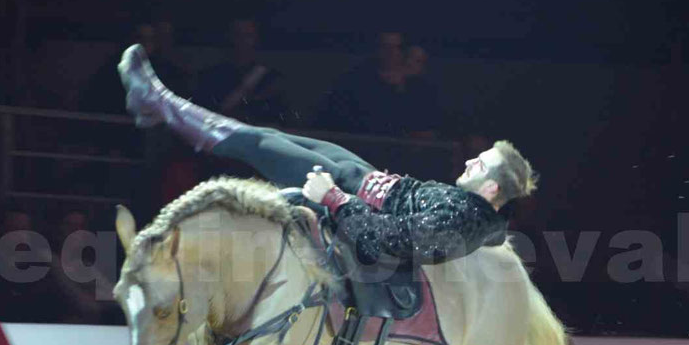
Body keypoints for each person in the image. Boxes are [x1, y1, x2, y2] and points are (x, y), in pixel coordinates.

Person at [116, 43, 537, 267]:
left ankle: (157, 99)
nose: (467, 162)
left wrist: (333, 197)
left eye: (477, 164)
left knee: (257, 145)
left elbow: (392, 242)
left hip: (350, 190)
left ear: (492, 187)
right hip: (364, 178)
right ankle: (156, 105)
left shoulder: (463, 223)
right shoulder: (468, 212)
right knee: (266, 135)